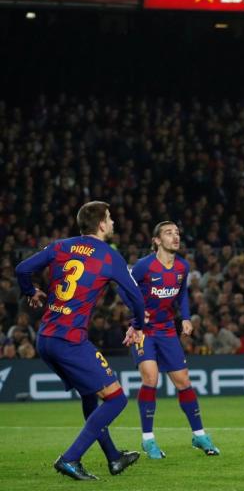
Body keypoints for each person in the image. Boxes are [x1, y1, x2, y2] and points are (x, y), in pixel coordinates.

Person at [14, 201, 147, 480]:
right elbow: (135, 297)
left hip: (46, 338)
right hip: (70, 341)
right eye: (110, 218)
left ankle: (114, 457)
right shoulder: (109, 256)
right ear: (100, 224)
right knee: (116, 400)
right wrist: (137, 325)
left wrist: (31, 291)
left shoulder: (61, 246)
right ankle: (70, 458)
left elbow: (22, 269)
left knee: (90, 394)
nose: (113, 223)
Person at [129, 221, 220, 459]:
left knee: (183, 381)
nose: (175, 236)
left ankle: (199, 435)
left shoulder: (182, 266)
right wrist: (137, 313)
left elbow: (182, 295)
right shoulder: (143, 266)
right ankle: (148, 439)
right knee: (151, 377)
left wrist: (186, 318)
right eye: (168, 233)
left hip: (167, 330)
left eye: (177, 233)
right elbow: (123, 288)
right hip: (144, 331)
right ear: (157, 240)